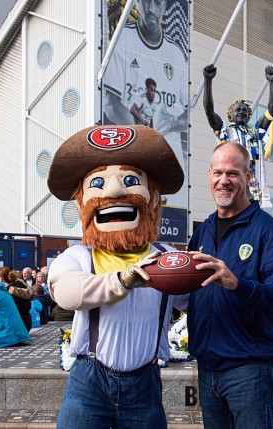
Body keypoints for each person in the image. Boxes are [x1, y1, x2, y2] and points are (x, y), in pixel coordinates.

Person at [47, 125, 188, 428]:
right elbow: (67, 292)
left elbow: (195, 299)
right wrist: (122, 281)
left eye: (130, 181)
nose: (113, 192)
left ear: (152, 198)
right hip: (89, 382)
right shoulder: (80, 256)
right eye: (98, 183)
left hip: (145, 385)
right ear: (81, 203)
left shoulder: (167, 256)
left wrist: (214, 279)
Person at [187, 142, 273, 429]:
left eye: (233, 173)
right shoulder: (202, 231)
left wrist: (239, 284)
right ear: (209, 176)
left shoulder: (269, 231)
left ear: (248, 176)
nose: (223, 181)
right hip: (207, 367)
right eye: (217, 173)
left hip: (249, 371)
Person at [103, 0, 189, 191]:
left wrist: (173, 123)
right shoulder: (122, 38)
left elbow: (191, 115)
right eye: (146, 2)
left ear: (165, 7)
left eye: (157, 3)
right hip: (132, 167)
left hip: (170, 173)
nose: (151, 9)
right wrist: (143, 137)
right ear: (138, 3)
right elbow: (110, 102)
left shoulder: (175, 53)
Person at [202, 63, 273, 206]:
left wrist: (272, 83)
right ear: (230, 116)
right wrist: (207, 81)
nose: (241, 112)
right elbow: (209, 111)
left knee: (252, 215)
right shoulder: (224, 131)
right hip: (231, 178)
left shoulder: (254, 132)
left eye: (244, 111)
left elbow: (272, 111)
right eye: (237, 110)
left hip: (250, 181)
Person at [0, 267, 33, 332]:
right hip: (26, 324)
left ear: (0, 278)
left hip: (16, 329)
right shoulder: (22, 287)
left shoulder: (8, 293)